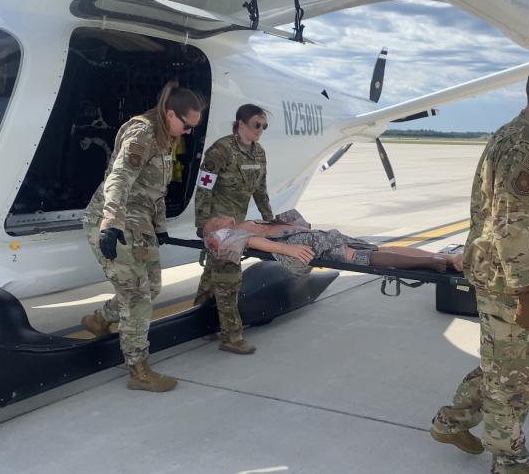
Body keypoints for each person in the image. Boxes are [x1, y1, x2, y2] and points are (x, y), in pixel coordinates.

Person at [429, 60, 529, 474]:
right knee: (513, 377)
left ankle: (450, 422)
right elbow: (510, 223)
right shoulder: (524, 146)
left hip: (498, 273)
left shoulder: (519, 136)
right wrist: (526, 292)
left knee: (502, 363)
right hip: (507, 280)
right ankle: (510, 461)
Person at [80, 81, 205, 392]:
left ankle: (99, 319)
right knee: (137, 297)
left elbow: (156, 191)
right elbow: (119, 178)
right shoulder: (143, 133)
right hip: (114, 222)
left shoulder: (166, 137)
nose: (189, 132)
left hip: (140, 224)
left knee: (153, 287)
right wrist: (110, 223)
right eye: (187, 125)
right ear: (170, 113)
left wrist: (159, 227)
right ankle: (138, 370)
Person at [194, 104, 273, 355]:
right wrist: (203, 224)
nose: (260, 130)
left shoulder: (258, 154)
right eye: (256, 125)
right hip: (219, 225)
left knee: (213, 271)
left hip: (238, 223)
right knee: (229, 279)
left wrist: (269, 219)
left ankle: (199, 320)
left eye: (264, 126)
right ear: (241, 124)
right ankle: (231, 337)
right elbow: (204, 187)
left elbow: (260, 190)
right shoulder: (221, 150)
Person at [200, 209, 464, 274]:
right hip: (304, 244)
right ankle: (435, 261)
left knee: (374, 249)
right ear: (217, 231)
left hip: (317, 237)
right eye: (217, 221)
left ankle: (447, 258)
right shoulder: (231, 236)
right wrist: (286, 248)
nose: (222, 218)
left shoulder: (247, 221)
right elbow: (258, 244)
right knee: (363, 257)